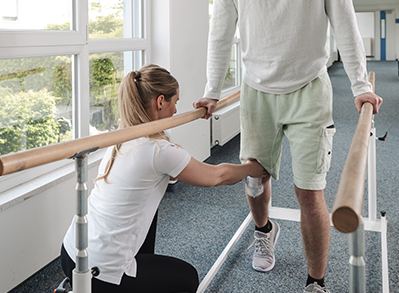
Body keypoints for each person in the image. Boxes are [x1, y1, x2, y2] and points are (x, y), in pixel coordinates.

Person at [194, 0, 383, 293]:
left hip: (309, 89)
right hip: (258, 91)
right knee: (256, 180)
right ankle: (264, 233)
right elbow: (221, 29)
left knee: (308, 193)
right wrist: (211, 89)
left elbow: (345, 21)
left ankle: (316, 282)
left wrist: (359, 85)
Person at [61, 64, 267, 293]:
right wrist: (252, 168)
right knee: (187, 279)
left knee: (150, 207)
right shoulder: (157, 150)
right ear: (160, 102)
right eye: (175, 102)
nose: (176, 110)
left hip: (71, 252)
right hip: (101, 272)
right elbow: (216, 176)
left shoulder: (122, 136)